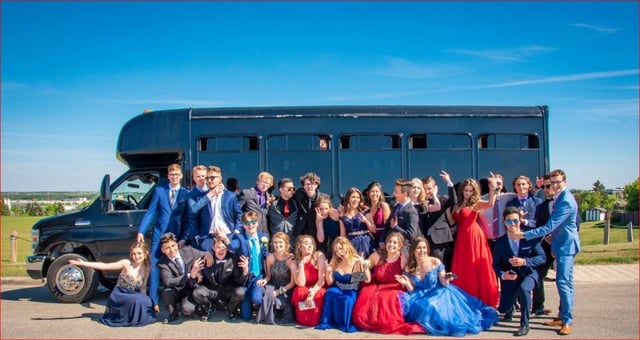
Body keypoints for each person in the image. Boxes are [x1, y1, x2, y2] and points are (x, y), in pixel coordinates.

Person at [510, 169, 580, 336]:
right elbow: (554, 226)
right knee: (566, 282)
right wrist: (552, 237)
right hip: (560, 243)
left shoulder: (566, 201)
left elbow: (550, 226)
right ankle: (563, 316)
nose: (554, 185)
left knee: (564, 283)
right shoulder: (558, 197)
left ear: (565, 182)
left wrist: (523, 234)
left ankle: (567, 321)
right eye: (552, 182)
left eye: (558, 182)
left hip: (566, 246)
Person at [397, 236, 497, 336]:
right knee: (417, 306)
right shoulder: (409, 267)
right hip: (419, 295)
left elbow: (444, 283)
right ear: (413, 250)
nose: (422, 250)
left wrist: (448, 278)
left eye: (424, 248)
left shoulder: (435, 261)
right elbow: (411, 289)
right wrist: (406, 283)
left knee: (431, 304)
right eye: (419, 248)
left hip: (438, 292)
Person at [137, 163, 190, 311]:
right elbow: (151, 212)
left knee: (180, 268)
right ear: (168, 176)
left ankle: (181, 299)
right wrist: (141, 230)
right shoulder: (159, 191)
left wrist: (184, 238)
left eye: (176, 174)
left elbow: (187, 219)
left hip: (176, 237)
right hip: (159, 236)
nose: (174, 177)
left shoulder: (186, 193)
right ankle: (153, 301)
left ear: (180, 176)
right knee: (154, 267)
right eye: (171, 174)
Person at [351, 232, 424, 335]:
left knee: (388, 298)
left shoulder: (403, 258)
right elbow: (364, 272)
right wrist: (354, 273)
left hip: (395, 286)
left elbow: (408, 277)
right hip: (377, 284)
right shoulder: (377, 255)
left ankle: (385, 323)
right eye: (390, 241)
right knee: (366, 295)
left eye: (395, 243)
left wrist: (405, 281)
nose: (391, 244)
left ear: (400, 246)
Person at [68, 242, 155, 327]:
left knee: (147, 300)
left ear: (145, 253)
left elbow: (143, 287)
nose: (136, 256)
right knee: (138, 300)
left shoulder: (147, 268)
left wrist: (145, 299)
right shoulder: (126, 263)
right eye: (134, 254)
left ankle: (140, 318)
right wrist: (83, 263)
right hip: (119, 294)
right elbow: (104, 266)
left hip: (132, 293)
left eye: (139, 253)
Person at [444, 175, 500, 307]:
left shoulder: (475, 203)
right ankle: (463, 299)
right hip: (461, 238)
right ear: (462, 191)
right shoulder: (458, 204)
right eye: (466, 190)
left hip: (474, 236)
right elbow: (452, 221)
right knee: (463, 268)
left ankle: (480, 298)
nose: (468, 193)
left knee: (475, 266)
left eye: (470, 191)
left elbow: (490, 203)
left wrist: (493, 188)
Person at [493, 207, 546, 336]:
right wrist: (503, 275)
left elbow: (542, 257)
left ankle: (524, 324)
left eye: (515, 221)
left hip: (529, 273)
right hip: (511, 277)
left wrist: (525, 262)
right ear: (505, 223)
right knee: (503, 308)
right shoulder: (500, 242)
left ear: (520, 221)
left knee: (524, 289)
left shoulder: (529, 236)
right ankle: (509, 308)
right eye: (509, 221)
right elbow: (496, 264)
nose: (513, 224)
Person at [316, 237, 371, 333]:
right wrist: (328, 272)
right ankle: (327, 321)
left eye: (340, 249)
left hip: (351, 289)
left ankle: (344, 323)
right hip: (338, 287)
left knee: (346, 299)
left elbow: (367, 280)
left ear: (347, 246)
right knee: (330, 292)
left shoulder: (356, 261)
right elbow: (329, 282)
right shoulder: (335, 260)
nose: (338, 252)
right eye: (336, 250)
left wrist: (364, 266)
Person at [156, 232, 213, 324]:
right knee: (166, 292)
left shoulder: (188, 250)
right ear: (163, 250)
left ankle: (200, 307)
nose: (172, 250)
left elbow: (204, 253)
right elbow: (167, 281)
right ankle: (173, 313)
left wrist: (208, 254)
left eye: (173, 245)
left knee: (187, 310)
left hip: (191, 288)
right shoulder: (162, 263)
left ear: (177, 245)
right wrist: (189, 275)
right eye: (167, 248)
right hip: (177, 290)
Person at [192, 237, 248, 321]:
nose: (221, 250)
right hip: (211, 288)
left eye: (224, 247)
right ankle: (210, 307)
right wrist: (195, 274)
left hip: (227, 289)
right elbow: (200, 281)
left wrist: (245, 271)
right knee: (197, 293)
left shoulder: (233, 259)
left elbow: (239, 281)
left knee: (241, 292)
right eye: (218, 247)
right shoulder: (206, 259)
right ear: (213, 248)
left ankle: (230, 310)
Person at [191, 166, 243, 252]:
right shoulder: (203, 197)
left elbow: (239, 214)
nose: (209, 180)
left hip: (227, 235)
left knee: (228, 264)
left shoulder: (230, 196)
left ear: (220, 178)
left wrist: (237, 230)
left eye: (212, 178)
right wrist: (197, 235)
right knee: (208, 264)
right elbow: (194, 216)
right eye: (207, 178)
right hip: (207, 238)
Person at [232, 211, 269, 321]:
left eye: (253, 222)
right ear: (243, 225)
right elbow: (231, 245)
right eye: (247, 223)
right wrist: (225, 239)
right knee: (246, 316)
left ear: (257, 223)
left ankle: (256, 303)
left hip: (258, 275)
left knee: (257, 299)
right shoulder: (240, 238)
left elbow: (266, 254)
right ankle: (245, 301)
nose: (251, 225)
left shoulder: (264, 237)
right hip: (245, 276)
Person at [255, 232, 295, 325]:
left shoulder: (291, 259)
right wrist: (264, 280)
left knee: (279, 302)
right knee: (265, 293)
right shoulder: (270, 257)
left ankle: (277, 312)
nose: (278, 245)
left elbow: (292, 283)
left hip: (286, 287)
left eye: (280, 242)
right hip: (272, 284)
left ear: (286, 244)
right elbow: (269, 275)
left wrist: (278, 291)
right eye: (275, 242)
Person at [422, 170, 457, 271]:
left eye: (429, 189)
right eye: (425, 189)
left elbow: (453, 201)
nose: (427, 192)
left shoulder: (442, 199)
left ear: (435, 188)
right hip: (425, 241)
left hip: (440, 240)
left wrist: (449, 182)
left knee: (441, 268)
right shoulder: (421, 202)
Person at [531, 174, 555, 316]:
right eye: (544, 186)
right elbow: (539, 225)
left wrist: (557, 236)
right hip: (546, 245)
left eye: (548, 186)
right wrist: (546, 237)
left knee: (563, 281)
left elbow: (575, 224)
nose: (546, 189)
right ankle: (538, 306)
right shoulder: (541, 206)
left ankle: (563, 312)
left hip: (562, 245)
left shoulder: (565, 202)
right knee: (537, 274)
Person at [291, 234, 327, 327]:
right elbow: (301, 283)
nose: (310, 245)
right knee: (300, 291)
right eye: (306, 243)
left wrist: (311, 293)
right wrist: (301, 264)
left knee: (319, 293)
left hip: (318, 286)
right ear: (300, 247)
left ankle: (316, 318)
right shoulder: (294, 262)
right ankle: (303, 318)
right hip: (304, 286)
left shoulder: (319, 256)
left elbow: (321, 280)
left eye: (311, 243)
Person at [339, 187, 376, 257]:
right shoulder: (342, 214)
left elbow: (374, 230)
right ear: (348, 198)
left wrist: (366, 221)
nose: (356, 200)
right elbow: (342, 235)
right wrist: (343, 247)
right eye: (353, 197)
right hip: (351, 244)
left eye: (358, 197)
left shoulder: (365, 211)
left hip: (365, 242)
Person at [292, 172, 329, 239]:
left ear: (316, 185)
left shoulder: (325, 198)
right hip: (301, 233)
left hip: (317, 233)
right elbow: (286, 196)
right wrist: (274, 198)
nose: (309, 186)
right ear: (303, 186)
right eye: (307, 184)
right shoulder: (298, 195)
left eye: (312, 184)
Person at [385, 179, 421, 245]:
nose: (393, 194)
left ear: (404, 194)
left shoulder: (411, 211)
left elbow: (411, 235)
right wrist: (381, 241)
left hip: (404, 248)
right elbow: (387, 226)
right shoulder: (395, 207)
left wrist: (396, 227)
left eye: (396, 192)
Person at [362, 181, 391, 249]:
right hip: (371, 241)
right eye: (372, 191)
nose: (375, 194)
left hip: (383, 240)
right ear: (368, 193)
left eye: (377, 191)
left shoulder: (384, 206)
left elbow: (388, 225)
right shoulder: (367, 210)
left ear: (380, 193)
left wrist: (384, 241)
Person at [186, 165, 209, 246]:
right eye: (198, 176)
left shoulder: (214, 190)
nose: (201, 178)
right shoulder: (191, 194)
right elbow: (193, 211)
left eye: (203, 176)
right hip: (199, 234)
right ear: (194, 178)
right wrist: (196, 234)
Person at [314, 196, 340, 260]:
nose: (324, 211)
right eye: (321, 209)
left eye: (326, 209)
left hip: (341, 241)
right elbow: (321, 239)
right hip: (332, 244)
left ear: (330, 208)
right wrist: (319, 222)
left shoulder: (334, 213)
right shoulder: (318, 219)